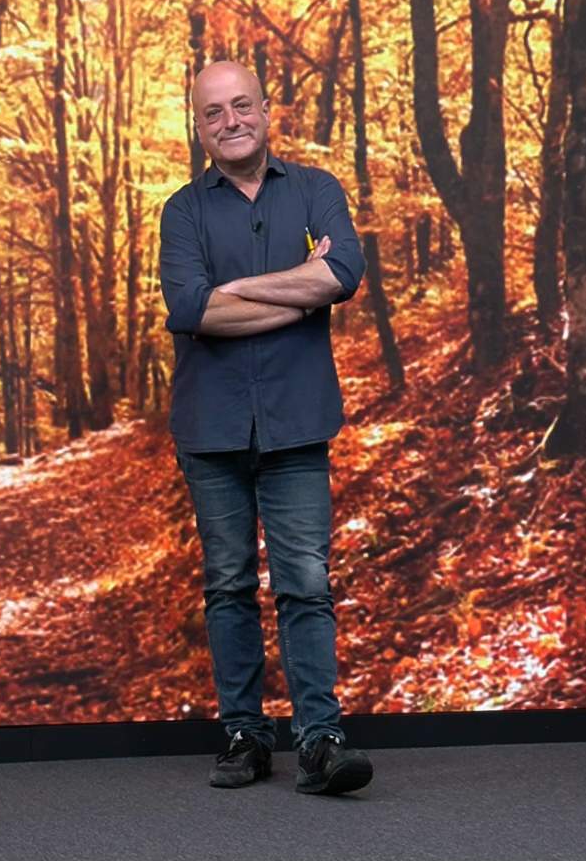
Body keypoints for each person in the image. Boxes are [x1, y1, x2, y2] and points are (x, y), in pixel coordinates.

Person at [158, 60, 374, 795]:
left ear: (265, 109)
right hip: (211, 427)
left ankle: (320, 741)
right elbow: (193, 311)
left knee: (306, 585)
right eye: (214, 112)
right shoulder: (182, 211)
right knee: (226, 584)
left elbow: (343, 272)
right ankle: (245, 735)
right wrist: (298, 290)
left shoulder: (316, 190)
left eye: (241, 105)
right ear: (200, 125)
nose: (231, 121)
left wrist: (239, 290)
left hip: (296, 421)